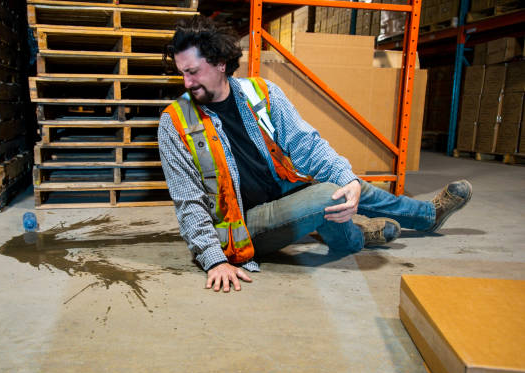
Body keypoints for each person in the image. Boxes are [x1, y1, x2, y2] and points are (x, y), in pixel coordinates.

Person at [158, 16, 472, 293]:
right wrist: (214, 261)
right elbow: (188, 202)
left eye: (194, 72)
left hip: (283, 190)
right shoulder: (174, 123)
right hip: (242, 223)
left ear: (220, 62)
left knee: (348, 185)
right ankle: (356, 236)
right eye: (182, 73)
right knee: (328, 196)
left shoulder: (261, 93)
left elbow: (307, 144)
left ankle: (427, 216)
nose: (187, 83)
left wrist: (347, 178)